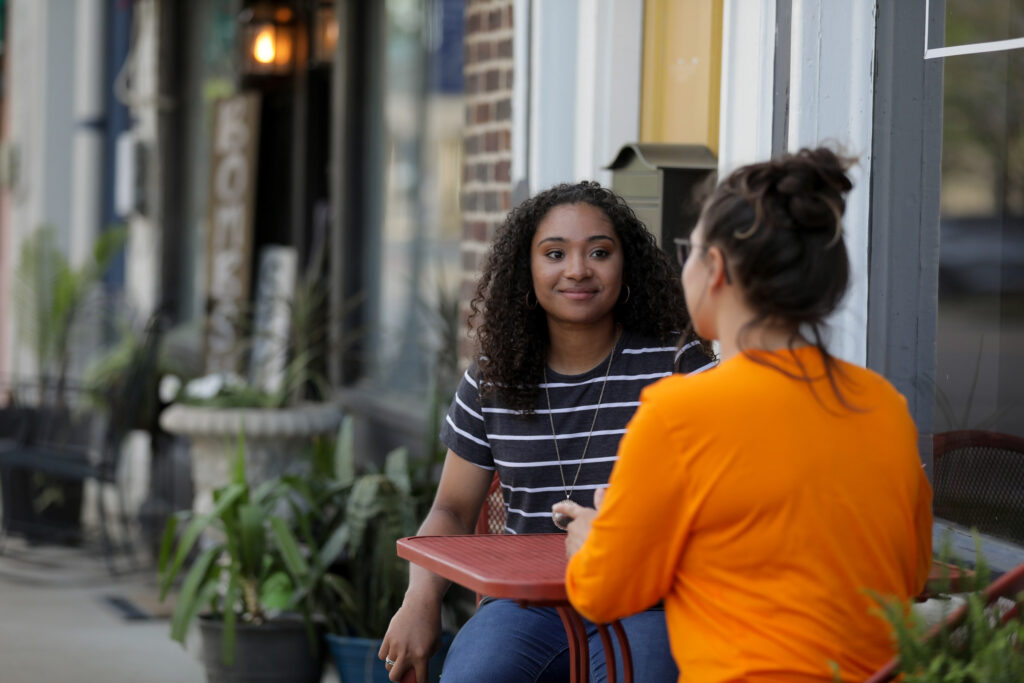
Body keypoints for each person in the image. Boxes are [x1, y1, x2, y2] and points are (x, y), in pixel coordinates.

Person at [556, 148, 934, 682]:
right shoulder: (883, 406)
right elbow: (913, 574)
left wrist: (593, 538)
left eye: (689, 250)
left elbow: (603, 593)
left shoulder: (679, 411)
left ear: (714, 269)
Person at [379, 180, 714, 683]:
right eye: (555, 253)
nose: (577, 270)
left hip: (646, 598)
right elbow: (451, 508)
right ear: (526, 270)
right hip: (525, 606)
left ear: (626, 267)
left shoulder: (674, 361)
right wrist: (418, 603)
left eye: (599, 252)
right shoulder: (494, 376)